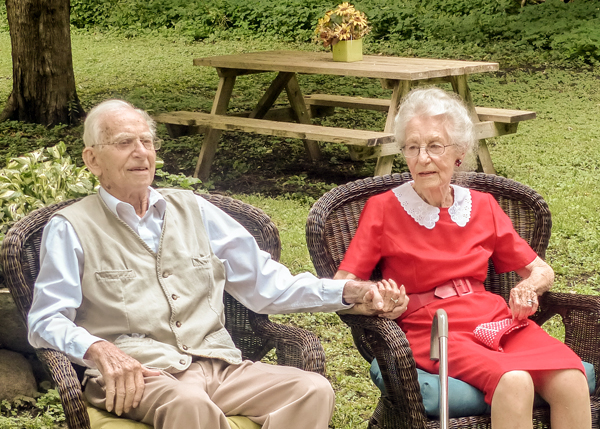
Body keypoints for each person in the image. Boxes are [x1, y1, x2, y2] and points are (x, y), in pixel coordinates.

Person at [27, 99, 407, 429]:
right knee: (190, 405)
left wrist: (348, 290)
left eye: (147, 141)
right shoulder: (71, 227)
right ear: (92, 159)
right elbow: (46, 319)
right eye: (125, 143)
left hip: (218, 365)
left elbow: (267, 286)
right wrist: (99, 350)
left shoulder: (193, 208)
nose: (141, 152)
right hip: (143, 374)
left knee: (311, 390)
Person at [335, 87, 591, 429]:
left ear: (459, 153)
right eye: (413, 147)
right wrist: (376, 296)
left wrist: (528, 288)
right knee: (515, 381)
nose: (423, 157)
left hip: (494, 321)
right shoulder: (383, 209)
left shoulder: (482, 206)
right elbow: (341, 285)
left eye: (435, 146)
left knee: (571, 379)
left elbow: (541, 270)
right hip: (432, 329)